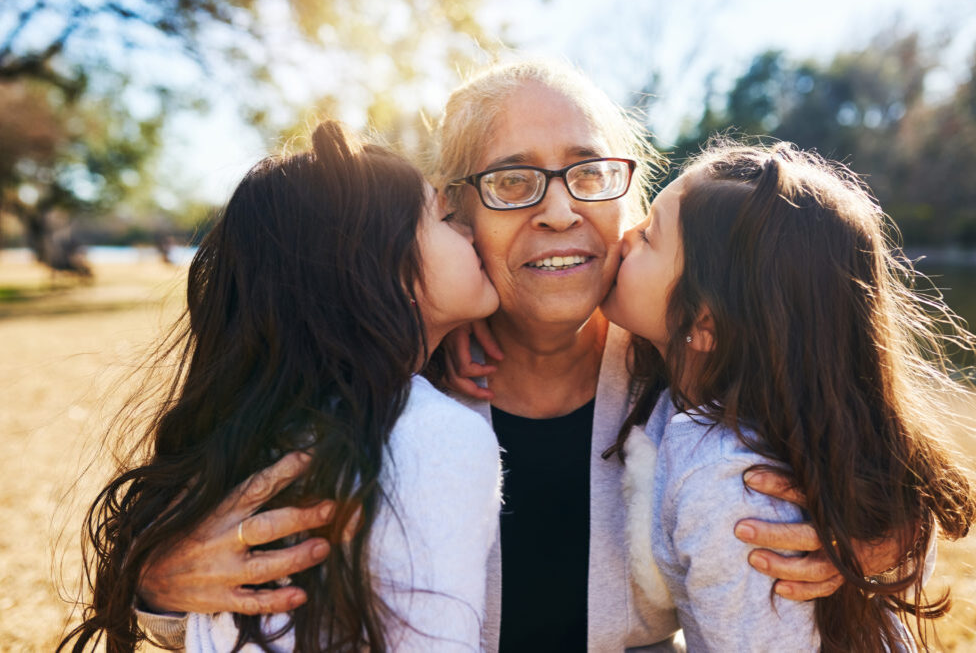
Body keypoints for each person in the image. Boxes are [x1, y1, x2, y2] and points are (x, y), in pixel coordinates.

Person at [134, 61, 903, 651]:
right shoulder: (380, 388)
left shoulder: (701, 361)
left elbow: (846, 415)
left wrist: (877, 539)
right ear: (455, 216)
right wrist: (163, 584)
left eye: (588, 171)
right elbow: (254, 605)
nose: (559, 209)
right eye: (512, 180)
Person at [59, 120, 503, 651]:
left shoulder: (259, 431)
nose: (472, 231)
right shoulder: (438, 437)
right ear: (382, 270)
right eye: (448, 218)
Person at [603, 141, 976, 652]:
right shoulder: (769, 414)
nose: (624, 238)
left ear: (704, 322)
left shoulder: (728, 484)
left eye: (648, 236)